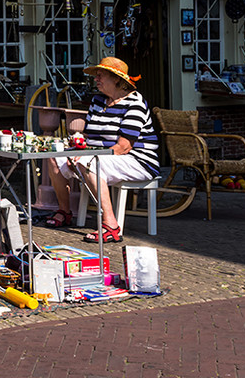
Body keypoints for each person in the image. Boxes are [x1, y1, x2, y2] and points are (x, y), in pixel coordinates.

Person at [45, 57, 161, 243]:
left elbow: (124, 146)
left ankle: (111, 225)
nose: (96, 79)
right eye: (96, 76)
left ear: (116, 79)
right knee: (54, 157)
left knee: (89, 163)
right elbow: (91, 137)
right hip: (105, 157)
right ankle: (65, 211)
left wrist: (86, 156)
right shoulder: (98, 101)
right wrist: (77, 149)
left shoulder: (135, 103)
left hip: (138, 160)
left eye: (100, 76)